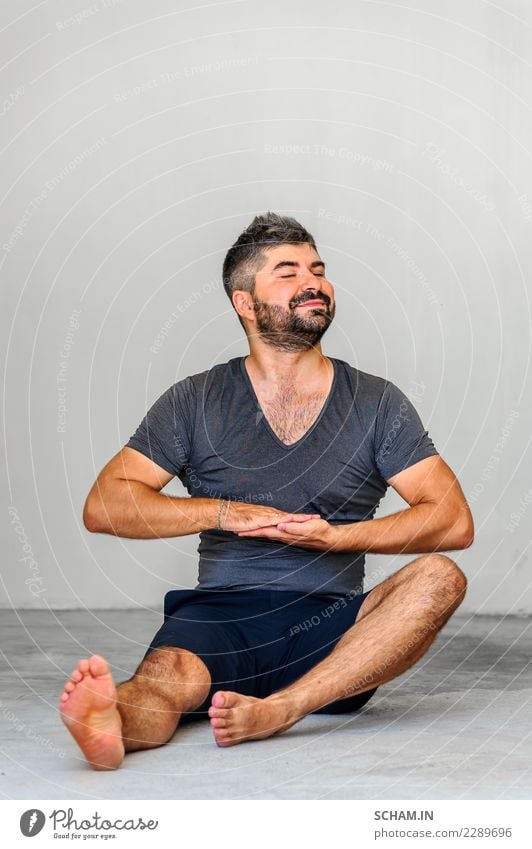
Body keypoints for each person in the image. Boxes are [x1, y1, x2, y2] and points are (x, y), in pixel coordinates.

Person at [59, 212, 473, 770]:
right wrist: (224, 512)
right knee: (165, 679)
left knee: (440, 576)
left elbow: (451, 520)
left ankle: (284, 707)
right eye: (288, 271)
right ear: (245, 303)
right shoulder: (195, 400)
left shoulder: (377, 403)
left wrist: (337, 538)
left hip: (337, 634)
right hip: (221, 617)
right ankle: (113, 724)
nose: (314, 281)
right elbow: (104, 505)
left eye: (318, 269)